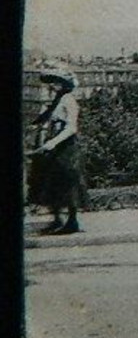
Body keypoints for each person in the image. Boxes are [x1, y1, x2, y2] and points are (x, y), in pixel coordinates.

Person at [28, 65, 84, 235]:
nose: (52, 86)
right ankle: (57, 219)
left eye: (55, 82)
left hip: (66, 147)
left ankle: (72, 221)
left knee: (67, 182)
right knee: (51, 181)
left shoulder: (69, 100)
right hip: (55, 146)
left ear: (63, 84)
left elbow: (71, 127)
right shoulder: (57, 100)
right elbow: (45, 119)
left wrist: (52, 142)